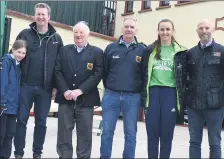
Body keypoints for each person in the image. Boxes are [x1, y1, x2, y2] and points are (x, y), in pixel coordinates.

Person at [13, 3, 63, 159]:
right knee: (21, 120)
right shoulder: (24, 34)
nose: (41, 17)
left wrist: (56, 86)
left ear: (49, 16)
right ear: (34, 16)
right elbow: (14, 55)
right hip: (25, 86)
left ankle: (37, 153)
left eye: (43, 14)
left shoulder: (56, 39)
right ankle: (19, 153)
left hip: (45, 89)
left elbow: (59, 64)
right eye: (38, 14)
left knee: (41, 123)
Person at [55, 21, 103, 159]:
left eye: (81, 32)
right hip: (66, 98)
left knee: (85, 134)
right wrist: (65, 91)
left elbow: (97, 74)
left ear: (88, 34)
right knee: (64, 133)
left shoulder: (97, 52)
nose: (78, 35)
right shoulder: (64, 50)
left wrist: (80, 90)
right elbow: (57, 71)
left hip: (86, 100)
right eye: (76, 32)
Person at [186, 19, 224, 158]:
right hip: (194, 105)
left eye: (207, 28)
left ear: (213, 30)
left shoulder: (223, 52)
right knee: (194, 141)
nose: (204, 31)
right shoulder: (191, 53)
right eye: (201, 28)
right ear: (197, 31)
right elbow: (186, 77)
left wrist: (223, 99)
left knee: (215, 143)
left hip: (215, 105)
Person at [100, 17, 146, 159]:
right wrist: (111, 87)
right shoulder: (111, 48)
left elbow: (144, 74)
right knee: (107, 131)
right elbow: (104, 72)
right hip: (111, 95)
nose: (129, 29)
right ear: (122, 28)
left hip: (132, 97)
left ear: (136, 30)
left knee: (131, 132)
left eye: (132, 27)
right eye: (126, 26)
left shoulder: (143, 50)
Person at [142, 19, 187, 158]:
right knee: (152, 134)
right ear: (158, 31)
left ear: (172, 31)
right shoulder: (149, 50)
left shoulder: (181, 52)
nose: (165, 32)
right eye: (162, 29)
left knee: (167, 135)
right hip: (153, 94)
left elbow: (185, 77)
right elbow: (142, 73)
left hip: (170, 94)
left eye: (168, 29)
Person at [0, 40, 27, 159]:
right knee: (1, 134)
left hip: (13, 107)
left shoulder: (18, 65)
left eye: (23, 53)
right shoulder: (6, 61)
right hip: (4, 105)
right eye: (19, 52)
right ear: (13, 49)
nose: (21, 55)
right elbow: (3, 83)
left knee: (9, 134)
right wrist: (2, 102)